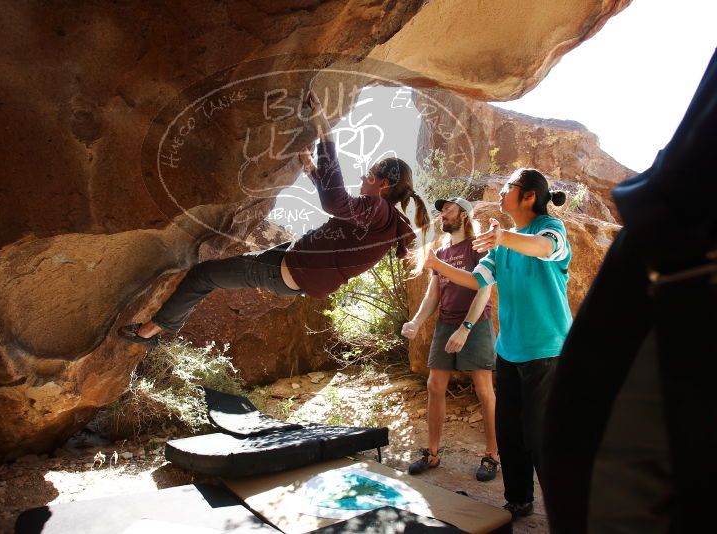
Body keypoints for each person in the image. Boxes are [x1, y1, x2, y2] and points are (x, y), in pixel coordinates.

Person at [119, 90, 431, 345]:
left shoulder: (377, 210)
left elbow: (336, 202)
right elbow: (338, 203)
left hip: (286, 271)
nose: (364, 177)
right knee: (212, 275)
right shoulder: (382, 219)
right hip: (289, 263)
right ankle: (157, 328)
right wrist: (310, 167)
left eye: (369, 173)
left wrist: (325, 130)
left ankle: (149, 333)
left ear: (384, 184)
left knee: (203, 276)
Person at [423, 168, 571, 519]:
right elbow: (477, 280)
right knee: (510, 433)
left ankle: (567, 513)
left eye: (509, 187)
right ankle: (519, 500)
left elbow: (543, 248)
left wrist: (503, 237)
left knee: (542, 438)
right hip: (509, 351)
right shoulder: (503, 243)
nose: (502, 191)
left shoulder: (550, 230)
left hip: (547, 352)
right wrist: (436, 265)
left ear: (529, 196)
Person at [401, 197, 499, 482]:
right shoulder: (441, 251)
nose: (442, 214)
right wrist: (417, 322)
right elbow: (434, 293)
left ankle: (492, 455)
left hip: (476, 323)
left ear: (464, 216)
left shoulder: (478, 245)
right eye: (441, 210)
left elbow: (484, 290)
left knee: (483, 388)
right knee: (434, 384)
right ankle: (432, 452)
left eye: (448, 210)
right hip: (446, 322)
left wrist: (466, 327)